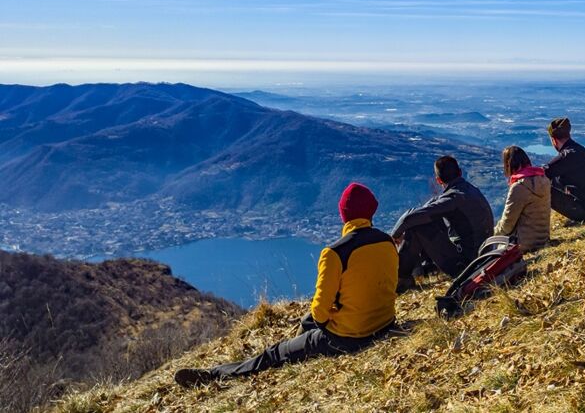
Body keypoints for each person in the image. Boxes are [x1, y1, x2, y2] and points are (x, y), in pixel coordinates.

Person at [174, 183, 397, 387]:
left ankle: (213, 375)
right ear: (372, 211)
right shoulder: (387, 241)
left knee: (274, 353)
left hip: (350, 337)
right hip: (384, 324)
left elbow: (320, 314)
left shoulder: (335, 253)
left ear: (343, 215)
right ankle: (299, 343)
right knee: (307, 320)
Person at [392, 155, 494, 293]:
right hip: (483, 255)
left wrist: (394, 235)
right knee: (428, 218)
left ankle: (401, 279)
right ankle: (420, 270)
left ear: (439, 180)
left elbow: (410, 218)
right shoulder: (470, 190)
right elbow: (432, 206)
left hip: (466, 265)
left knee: (416, 227)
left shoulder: (452, 199)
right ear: (460, 172)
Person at [543, 117, 585, 222]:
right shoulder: (578, 150)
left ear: (553, 139)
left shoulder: (567, 155)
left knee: (537, 186)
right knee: (555, 179)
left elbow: (543, 173)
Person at [493, 146, 551, 251]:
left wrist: (492, 233)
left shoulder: (519, 187)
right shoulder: (544, 180)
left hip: (523, 244)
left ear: (508, 165)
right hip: (543, 240)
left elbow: (507, 225)